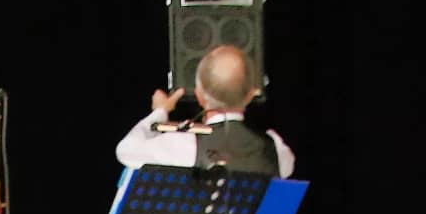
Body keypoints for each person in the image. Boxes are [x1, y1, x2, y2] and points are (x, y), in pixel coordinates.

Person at [114, 44, 295, 179]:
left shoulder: (184, 145)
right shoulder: (276, 149)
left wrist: (160, 112)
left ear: (200, 96)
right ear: (250, 95)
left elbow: (125, 150)